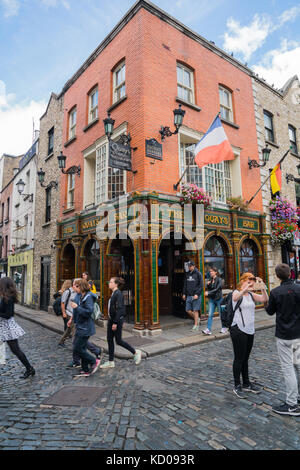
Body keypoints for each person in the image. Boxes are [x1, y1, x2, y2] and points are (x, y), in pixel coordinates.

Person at [265, 263, 300, 416]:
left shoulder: (276, 292)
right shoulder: (299, 288)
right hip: (298, 334)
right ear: (291, 274)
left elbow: (269, 311)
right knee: (298, 366)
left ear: (278, 276)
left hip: (284, 336)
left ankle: (292, 404)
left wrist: (264, 294)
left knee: (288, 369)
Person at [230, 273, 268, 399]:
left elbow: (264, 299)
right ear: (242, 281)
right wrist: (245, 288)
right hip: (238, 329)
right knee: (239, 358)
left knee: (246, 358)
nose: (251, 281)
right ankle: (237, 385)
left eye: (252, 279)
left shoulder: (251, 295)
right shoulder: (236, 292)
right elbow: (235, 298)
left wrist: (262, 286)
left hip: (250, 329)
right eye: (249, 279)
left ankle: (246, 383)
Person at [100, 277, 142, 369]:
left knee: (118, 341)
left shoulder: (118, 294)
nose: (109, 283)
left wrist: (115, 322)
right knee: (110, 340)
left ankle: (135, 352)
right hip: (112, 320)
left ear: (116, 284)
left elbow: (120, 309)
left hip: (116, 320)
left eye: (111, 282)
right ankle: (111, 362)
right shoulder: (114, 293)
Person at [0, 277, 35, 379]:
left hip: (7, 328)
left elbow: (8, 314)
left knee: (16, 350)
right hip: (3, 326)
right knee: (15, 350)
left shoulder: (8, 298)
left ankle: (29, 368)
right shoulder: (4, 297)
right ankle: (29, 368)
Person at [69, 278, 101, 377]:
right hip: (80, 326)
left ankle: (93, 361)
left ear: (81, 286)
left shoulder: (89, 297)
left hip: (86, 327)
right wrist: (73, 320)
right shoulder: (80, 295)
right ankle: (85, 369)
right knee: (82, 348)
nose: (74, 287)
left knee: (77, 349)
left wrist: (76, 307)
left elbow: (88, 312)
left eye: (76, 286)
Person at [202, 267, 226, 335]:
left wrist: (208, 293)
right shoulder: (210, 280)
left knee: (221, 314)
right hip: (212, 300)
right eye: (210, 272)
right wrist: (208, 285)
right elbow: (209, 289)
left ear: (216, 272)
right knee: (210, 315)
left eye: (212, 271)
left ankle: (224, 327)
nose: (211, 273)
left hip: (219, 299)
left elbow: (217, 289)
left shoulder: (219, 279)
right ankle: (208, 329)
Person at [182, 261, 203, 331]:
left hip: (196, 295)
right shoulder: (187, 274)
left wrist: (197, 294)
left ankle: (196, 325)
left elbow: (201, 286)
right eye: (188, 266)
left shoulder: (198, 274)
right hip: (189, 295)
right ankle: (197, 319)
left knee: (195, 310)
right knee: (187, 310)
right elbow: (185, 284)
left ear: (194, 266)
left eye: (190, 266)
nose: (189, 267)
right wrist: (184, 293)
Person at [58, 279, 76, 348]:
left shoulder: (77, 292)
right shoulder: (67, 292)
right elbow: (62, 303)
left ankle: (61, 341)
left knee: (68, 330)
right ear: (73, 284)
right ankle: (76, 347)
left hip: (74, 314)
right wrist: (64, 313)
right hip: (68, 313)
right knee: (74, 330)